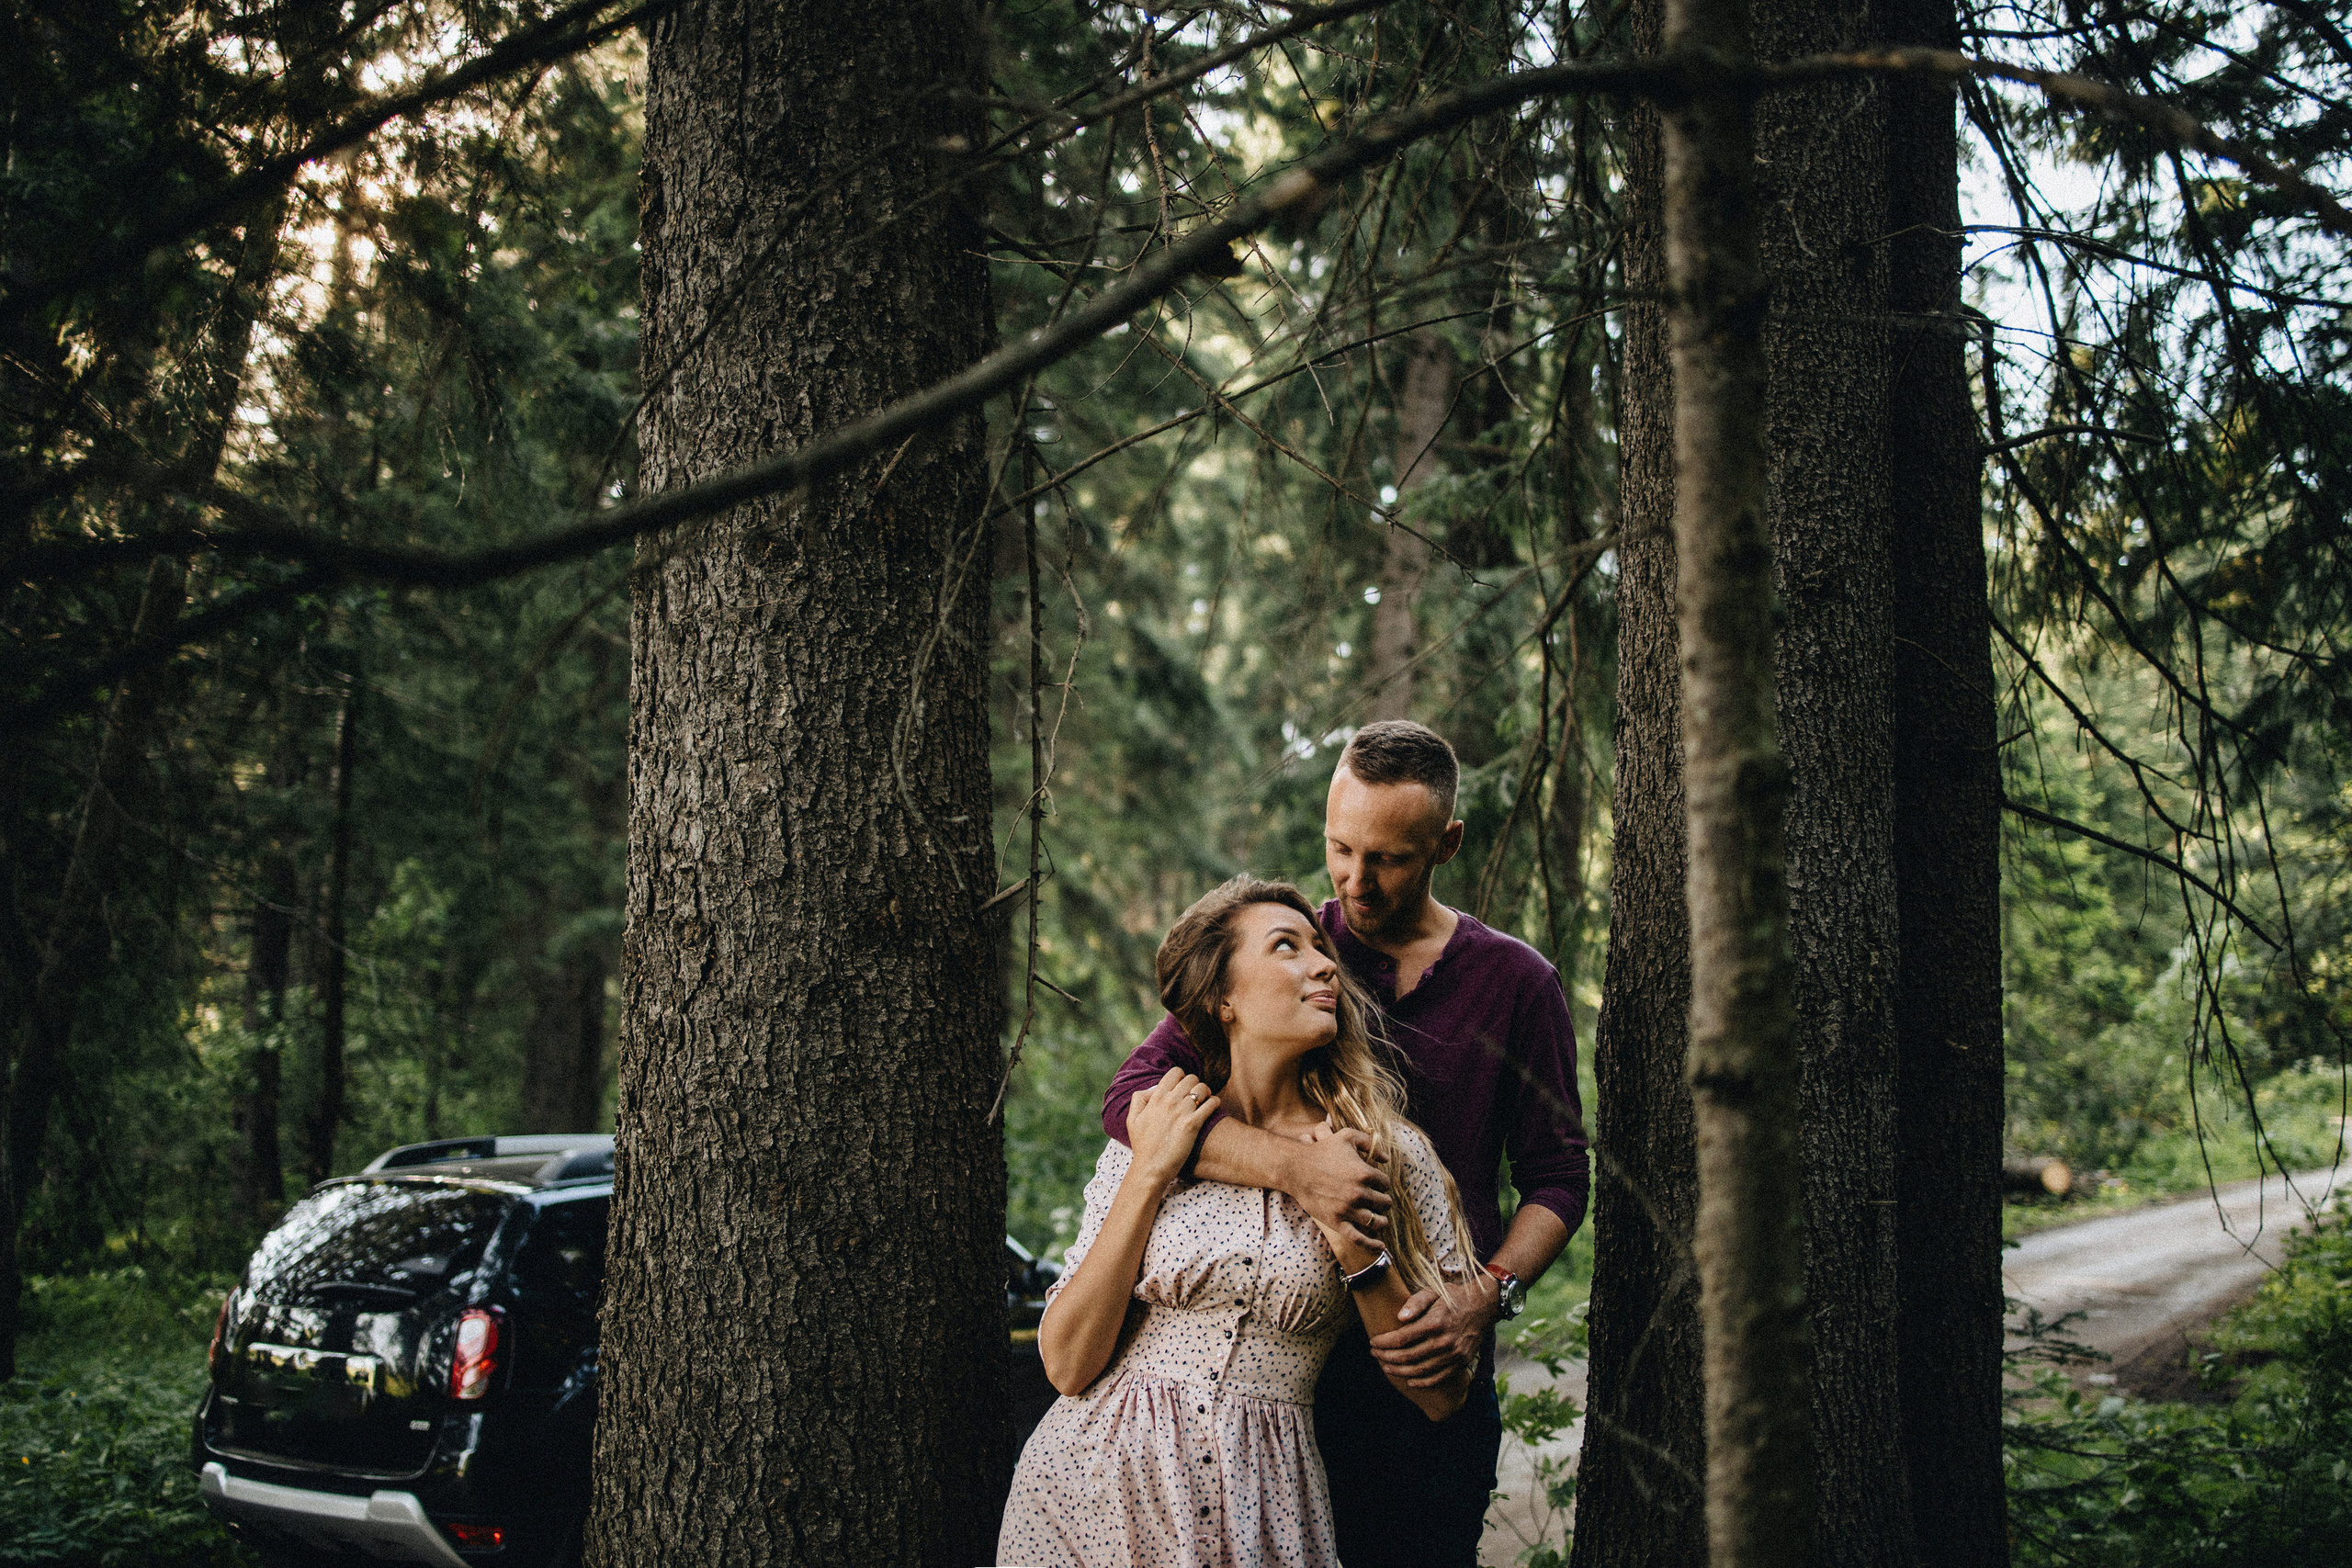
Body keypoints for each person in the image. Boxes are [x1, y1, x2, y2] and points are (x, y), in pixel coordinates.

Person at [1101, 720, 1589, 1568]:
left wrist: (1489, 1292)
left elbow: (1558, 1177)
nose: (1356, 880)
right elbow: (1131, 1100)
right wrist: (1302, 1172)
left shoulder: (1518, 983)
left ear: (1448, 842)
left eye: (1390, 858)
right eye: (1340, 847)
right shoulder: (1279, 960)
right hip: (1284, 1374)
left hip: (1425, 1363)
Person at [999, 877, 1481, 1568]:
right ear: (1223, 997)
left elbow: (1442, 1392)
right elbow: (1067, 1363)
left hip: (1264, 1507)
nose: (1323, 964)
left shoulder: (1389, 1152)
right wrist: (1149, 1171)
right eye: (1287, 946)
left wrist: (1352, 1242)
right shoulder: (1156, 1126)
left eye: (1323, 950)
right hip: (1086, 1489)